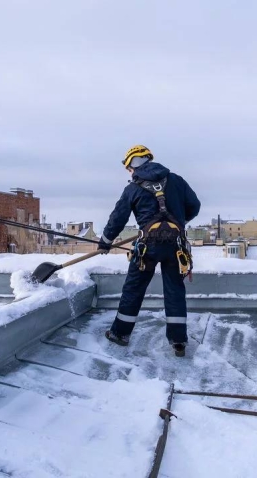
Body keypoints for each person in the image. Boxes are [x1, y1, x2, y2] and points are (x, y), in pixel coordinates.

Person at [98, 145, 201, 357]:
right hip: (176, 247)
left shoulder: (133, 188)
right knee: (174, 291)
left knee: (133, 289)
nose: (129, 173)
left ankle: (120, 334)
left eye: (128, 168)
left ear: (133, 165)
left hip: (147, 248)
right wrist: (179, 222)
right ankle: (178, 341)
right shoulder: (177, 181)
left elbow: (118, 218)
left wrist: (106, 241)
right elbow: (195, 205)